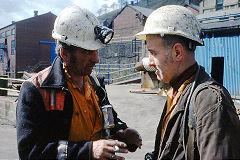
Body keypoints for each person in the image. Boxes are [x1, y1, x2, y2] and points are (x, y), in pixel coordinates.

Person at [16, 6, 142, 160]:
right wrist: (89, 151)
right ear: (65, 54)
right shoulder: (36, 89)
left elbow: (109, 118)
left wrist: (122, 132)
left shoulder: (96, 85)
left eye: (96, 51)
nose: (96, 59)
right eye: (88, 51)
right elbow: (30, 152)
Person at [136, 5, 240, 160]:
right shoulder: (176, 91)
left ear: (177, 52)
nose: (149, 62)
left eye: (153, 53)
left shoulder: (210, 102)